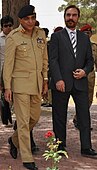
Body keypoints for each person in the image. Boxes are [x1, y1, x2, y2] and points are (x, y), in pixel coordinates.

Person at [3, 5, 48, 170]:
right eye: (27, 19)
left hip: (36, 84)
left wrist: (45, 80)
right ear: (20, 21)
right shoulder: (13, 37)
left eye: (33, 18)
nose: (31, 21)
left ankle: (13, 140)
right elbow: (8, 65)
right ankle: (27, 159)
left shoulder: (40, 33)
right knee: (22, 122)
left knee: (34, 118)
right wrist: (7, 87)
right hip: (20, 84)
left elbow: (44, 59)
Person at [49, 5, 97, 158]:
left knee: (84, 117)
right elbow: (53, 60)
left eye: (74, 15)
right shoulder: (57, 37)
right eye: (68, 15)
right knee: (59, 117)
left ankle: (86, 148)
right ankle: (60, 146)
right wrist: (58, 79)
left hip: (80, 83)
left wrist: (85, 71)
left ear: (78, 17)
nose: (71, 18)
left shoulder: (84, 37)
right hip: (61, 83)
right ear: (64, 17)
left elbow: (90, 60)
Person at [73, 24, 97, 130]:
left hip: (90, 76)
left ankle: (78, 118)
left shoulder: (94, 47)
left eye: (88, 33)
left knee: (89, 100)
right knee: (81, 100)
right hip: (79, 75)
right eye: (84, 33)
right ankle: (82, 122)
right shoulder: (76, 45)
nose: (87, 35)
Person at [0, 15, 14, 126]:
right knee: (5, 97)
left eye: (10, 25)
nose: (8, 28)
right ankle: (6, 119)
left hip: (17, 71)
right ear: (2, 27)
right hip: (3, 71)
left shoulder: (16, 37)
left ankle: (16, 120)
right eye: (6, 26)